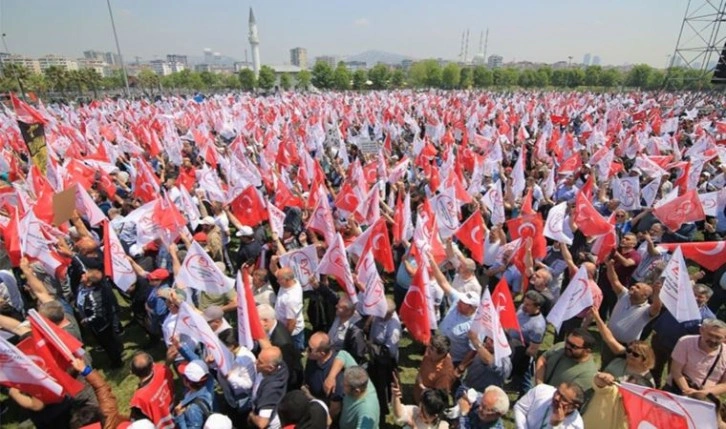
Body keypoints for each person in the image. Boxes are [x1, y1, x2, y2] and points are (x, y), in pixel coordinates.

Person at [667, 318, 726, 400]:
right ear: (701, 330)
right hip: (677, 389)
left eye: (718, 337)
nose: (713, 340)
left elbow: (724, 384)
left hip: (707, 397)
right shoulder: (685, 342)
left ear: (724, 338)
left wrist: (703, 393)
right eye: (710, 335)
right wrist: (687, 391)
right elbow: (676, 370)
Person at [534, 328, 598, 392]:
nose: (567, 346)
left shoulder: (588, 374)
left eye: (573, 346)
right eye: (567, 341)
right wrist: (540, 384)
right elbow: (543, 359)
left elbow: (571, 396)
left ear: (587, 351)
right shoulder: (561, 347)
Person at [509, 290, 547, 396]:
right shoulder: (523, 308)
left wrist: (519, 357)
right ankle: (514, 383)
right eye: (524, 303)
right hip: (512, 346)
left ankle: (526, 395)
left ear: (537, 307)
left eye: (528, 305)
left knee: (523, 376)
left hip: (522, 353)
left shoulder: (538, 326)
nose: (524, 306)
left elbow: (533, 349)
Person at [258, 303, 304, 390]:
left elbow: (287, 369)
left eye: (256, 321)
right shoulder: (274, 325)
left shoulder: (282, 343)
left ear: (265, 321)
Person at [129, 351, 175, 429]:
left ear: (132, 372)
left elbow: (139, 424)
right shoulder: (163, 370)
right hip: (176, 416)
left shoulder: (139, 400)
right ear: (152, 364)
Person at [513, 382, 585, 429]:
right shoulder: (541, 390)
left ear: (574, 406)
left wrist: (556, 425)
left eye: (563, 399)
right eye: (557, 392)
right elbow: (520, 408)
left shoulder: (576, 426)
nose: (556, 397)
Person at [249, 346, 289, 429]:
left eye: (260, 362)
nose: (256, 362)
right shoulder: (281, 365)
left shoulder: (271, 390)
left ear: (270, 368)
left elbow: (262, 423)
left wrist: (251, 415)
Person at [413, 334, 456, 403]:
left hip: (426, 404)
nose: (427, 349)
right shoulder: (430, 352)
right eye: (429, 346)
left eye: (431, 349)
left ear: (442, 353)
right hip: (418, 395)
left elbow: (437, 397)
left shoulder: (445, 374)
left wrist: (421, 385)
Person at [174, 360, 215, 429]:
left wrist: (179, 416)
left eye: (184, 375)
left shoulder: (193, 409)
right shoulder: (209, 382)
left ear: (188, 383)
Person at [274, 267, 306, 351]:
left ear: (287, 280)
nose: (277, 281)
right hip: (287, 327)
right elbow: (275, 271)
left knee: (292, 353)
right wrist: (273, 263)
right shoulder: (294, 281)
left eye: (279, 279)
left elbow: (292, 322)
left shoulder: (291, 300)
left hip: (292, 333)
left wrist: (285, 337)